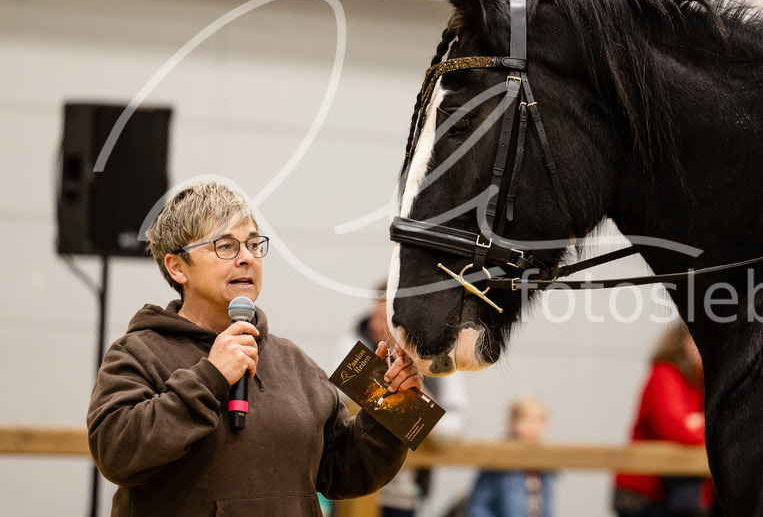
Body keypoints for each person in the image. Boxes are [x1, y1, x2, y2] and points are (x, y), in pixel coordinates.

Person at [86, 181, 423, 515]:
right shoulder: (138, 353)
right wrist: (210, 376)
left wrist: (392, 405)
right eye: (226, 246)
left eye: (253, 245)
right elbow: (116, 453)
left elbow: (343, 473)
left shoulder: (295, 362)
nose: (247, 258)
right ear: (177, 267)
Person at [330, 293, 470, 517]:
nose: (377, 325)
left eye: (386, 318)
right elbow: (342, 394)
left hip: (406, 493)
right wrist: (413, 403)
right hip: (353, 486)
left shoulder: (438, 359)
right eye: (374, 316)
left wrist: (415, 396)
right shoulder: (352, 345)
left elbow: (455, 426)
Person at [613, 323, 715, 517]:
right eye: (697, 338)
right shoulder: (664, 375)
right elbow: (675, 429)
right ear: (682, 342)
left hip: (679, 495)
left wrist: (697, 425)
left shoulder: (699, 382)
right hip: (644, 493)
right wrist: (705, 430)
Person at [466, 395, 555, 517]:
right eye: (527, 419)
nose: (533, 426)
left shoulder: (544, 465)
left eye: (540, 420)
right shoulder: (498, 460)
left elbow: (546, 505)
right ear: (512, 422)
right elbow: (478, 505)